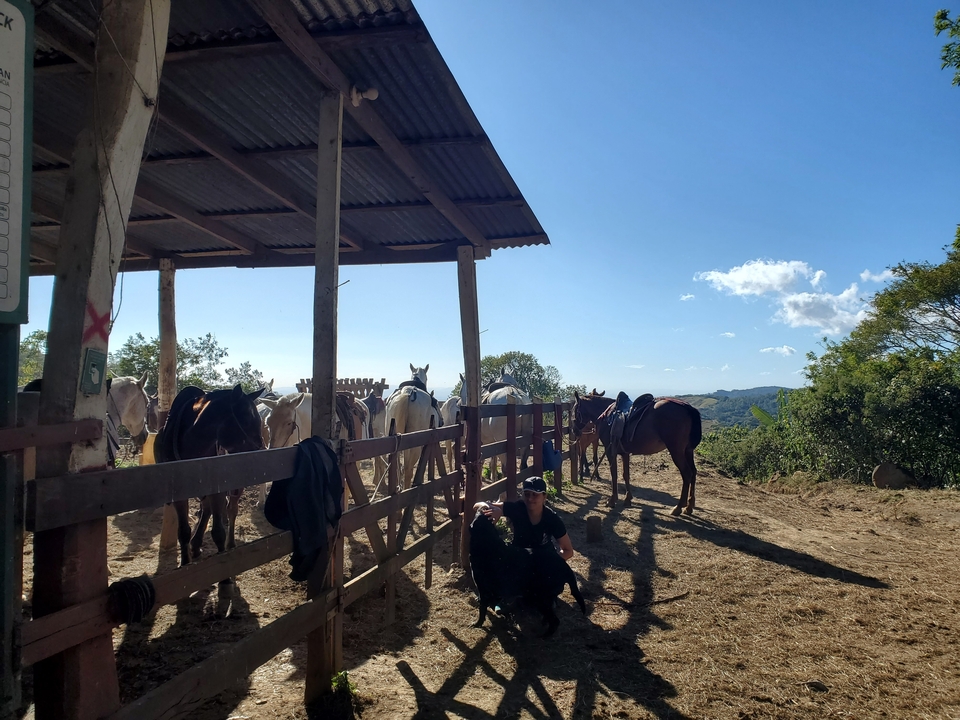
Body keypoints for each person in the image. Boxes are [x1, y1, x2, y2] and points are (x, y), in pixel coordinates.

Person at [474, 476, 575, 561]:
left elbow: (568, 551)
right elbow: (477, 505)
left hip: (542, 562)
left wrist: (550, 563)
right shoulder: (517, 508)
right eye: (527, 494)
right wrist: (494, 509)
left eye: (535, 495)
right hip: (519, 560)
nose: (530, 498)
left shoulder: (552, 518)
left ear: (544, 497)